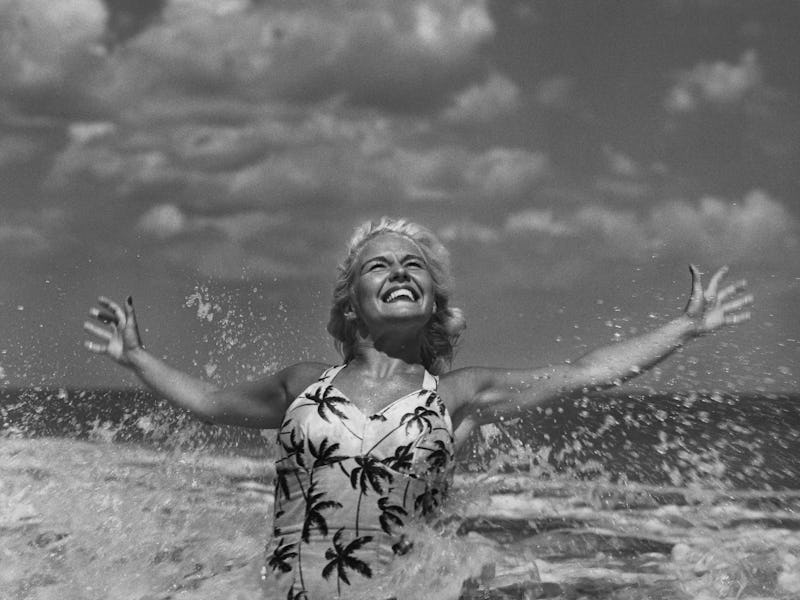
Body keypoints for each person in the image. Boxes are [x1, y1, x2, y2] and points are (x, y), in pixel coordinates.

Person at [84, 217, 753, 599]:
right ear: (352, 303)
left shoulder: (457, 396)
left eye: (413, 265)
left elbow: (582, 374)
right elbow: (209, 403)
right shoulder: (302, 384)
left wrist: (684, 329)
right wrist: (136, 358)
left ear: (433, 300)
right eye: (380, 265)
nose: (400, 269)